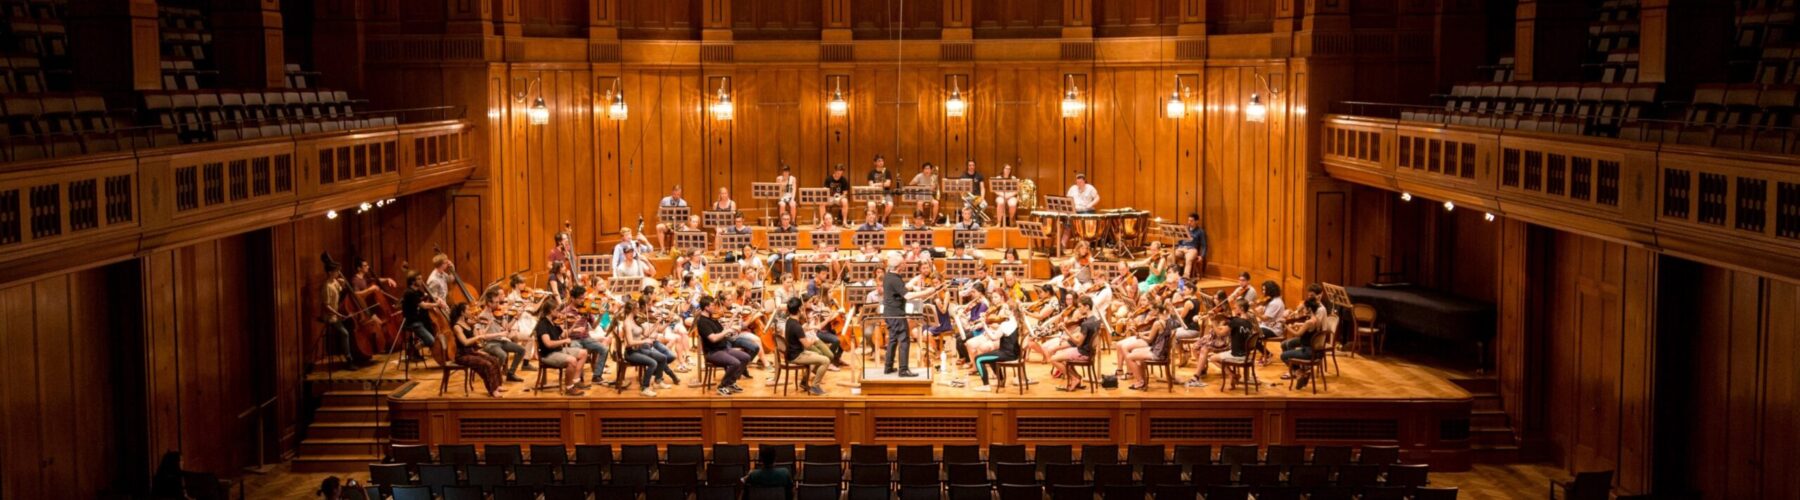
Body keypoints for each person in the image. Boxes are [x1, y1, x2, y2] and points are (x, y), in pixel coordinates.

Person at [882, 253, 938, 377]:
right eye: (903, 263)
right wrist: (926, 291)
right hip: (896, 314)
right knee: (904, 339)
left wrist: (912, 287)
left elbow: (901, 289)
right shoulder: (895, 279)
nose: (905, 265)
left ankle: (888, 367)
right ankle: (903, 370)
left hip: (889, 313)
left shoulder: (888, 276)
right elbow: (908, 296)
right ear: (899, 266)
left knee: (892, 339)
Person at [619, 301, 678, 397]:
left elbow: (645, 334)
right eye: (637, 308)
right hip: (631, 353)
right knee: (653, 363)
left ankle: (658, 381)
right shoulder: (627, 323)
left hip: (639, 350)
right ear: (632, 309)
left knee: (663, 358)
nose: (639, 310)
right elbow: (629, 343)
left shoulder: (634, 320)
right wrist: (644, 341)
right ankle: (644, 388)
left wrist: (656, 324)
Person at [449, 303, 507, 397]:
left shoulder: (467, 322)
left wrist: (484, 325)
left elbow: (479, 328)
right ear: (462, 313)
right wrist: (478, 336)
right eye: (468, 310)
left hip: (472, 351)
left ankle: (497, 386)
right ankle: (492, 390)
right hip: (462, 355)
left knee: (494, 360)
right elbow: (465, 342)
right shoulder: (457, 327)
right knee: (486, 364)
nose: (470, 312)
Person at [534, 300, 590, 396]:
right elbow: (548, 344)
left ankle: (575, 381)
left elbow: (565, 334)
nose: (559, 313)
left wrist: (574, 324)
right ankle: (569, 388)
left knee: (583, 353)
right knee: (572, 360)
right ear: (551, 311)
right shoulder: (543, 325)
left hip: (558, 350)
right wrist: (564, 341)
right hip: (548, 354)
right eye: (557, 311)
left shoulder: (554, 322)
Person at [697, 296, 751, 395]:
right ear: (706, 307)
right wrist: (726, 331)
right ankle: (722, 386)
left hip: (723, 349)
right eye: (713, 305)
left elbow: (723, 330)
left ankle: (730, 383)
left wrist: (734, 316)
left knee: (745, 357)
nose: (715, 307)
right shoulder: (702, 322)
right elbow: (713, 338)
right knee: (735, 363)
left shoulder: (712, 319)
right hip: (713, 352)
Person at [558, 286, 611, 384]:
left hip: (586, 338)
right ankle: (578, 378)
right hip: (573, 339)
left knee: (604, 349)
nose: (583, 300)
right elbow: (562, 332)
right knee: (579, 351)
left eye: (584, 298)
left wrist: (600, 316)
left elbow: (594, 326)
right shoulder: (565, 312)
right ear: (573, 298)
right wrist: (574, 329)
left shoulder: (586, 309)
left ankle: (597, 376)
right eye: (580, 298)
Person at [1049, 297, 1099, 391]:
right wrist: (1069, 337)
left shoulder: (1086, 324)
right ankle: (1077, 377)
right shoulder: (1096, 320)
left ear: (1087, 307)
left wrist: (1066, 331)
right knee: (1061, 357)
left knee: (1053, 359)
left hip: (1083, 353)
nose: (1079, 309)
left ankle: (1074, 378)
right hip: (1088, 351)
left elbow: (1078, 343)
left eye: (1080, 307)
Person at [784, 298, 831, 395]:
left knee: (817, 355)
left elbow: (796, 333)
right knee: (826, 360)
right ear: (800, 309)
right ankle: (815, 386)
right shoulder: (797, 326)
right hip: (797, 356)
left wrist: (805, 329)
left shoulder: (789, 321)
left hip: (792, 353)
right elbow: (807, 345)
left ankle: (804, 382)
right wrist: (813, 340)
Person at [399, 271, 442, 362]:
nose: (421, 281)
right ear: (412, 281)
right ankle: (412, 349)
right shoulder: (410, 293)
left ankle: (414, 348)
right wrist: (436, 304)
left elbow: (425, 296)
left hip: (420, 320)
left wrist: (436, 298)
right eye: (419, 279)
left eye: (421, 278)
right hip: (412, 322)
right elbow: (423, 305)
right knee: (431, 341)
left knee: (433, 336)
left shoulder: (417, 291)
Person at [1176, 213, 1209, 279]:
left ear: (1196, 221)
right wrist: (1178, 247)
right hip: (1182, 248)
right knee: (1171, 255)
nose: (1189, 222)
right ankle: (1173, 273)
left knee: (1189, 258)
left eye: (1191, 221)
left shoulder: (1200, 231)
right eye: (1188, 220)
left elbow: (1204, 245)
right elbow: (1179, 241)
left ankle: (1186, 276)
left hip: (1192, 249)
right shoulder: (1185, 229)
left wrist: (1202, 256)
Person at [769, 211, 799, 279]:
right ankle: (778, 276)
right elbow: (773, 244)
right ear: (781, 220)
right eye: (784, 219)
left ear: (790, 219)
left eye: (787, 219)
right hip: (779, 252)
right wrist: (778, 249)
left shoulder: (794, 230)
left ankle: (789, 277)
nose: (786, 221)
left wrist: (788, 251)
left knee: (788, 258)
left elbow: (795, 246)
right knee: (770, 260)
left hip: (790, 252)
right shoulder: (777, 230)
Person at [866, 154, 894, 221]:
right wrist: (882, 184)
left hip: (886, 193)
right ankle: (875, 219)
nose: (881, 162)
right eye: (879, 161)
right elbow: (871, 185)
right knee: (871, 204)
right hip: (875, 193)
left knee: (890, 204)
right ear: (875, 163)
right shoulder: (871, 173)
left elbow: (888, 184)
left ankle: (883, 219)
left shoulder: (887, 172)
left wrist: (876, 184)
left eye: (882, 161)